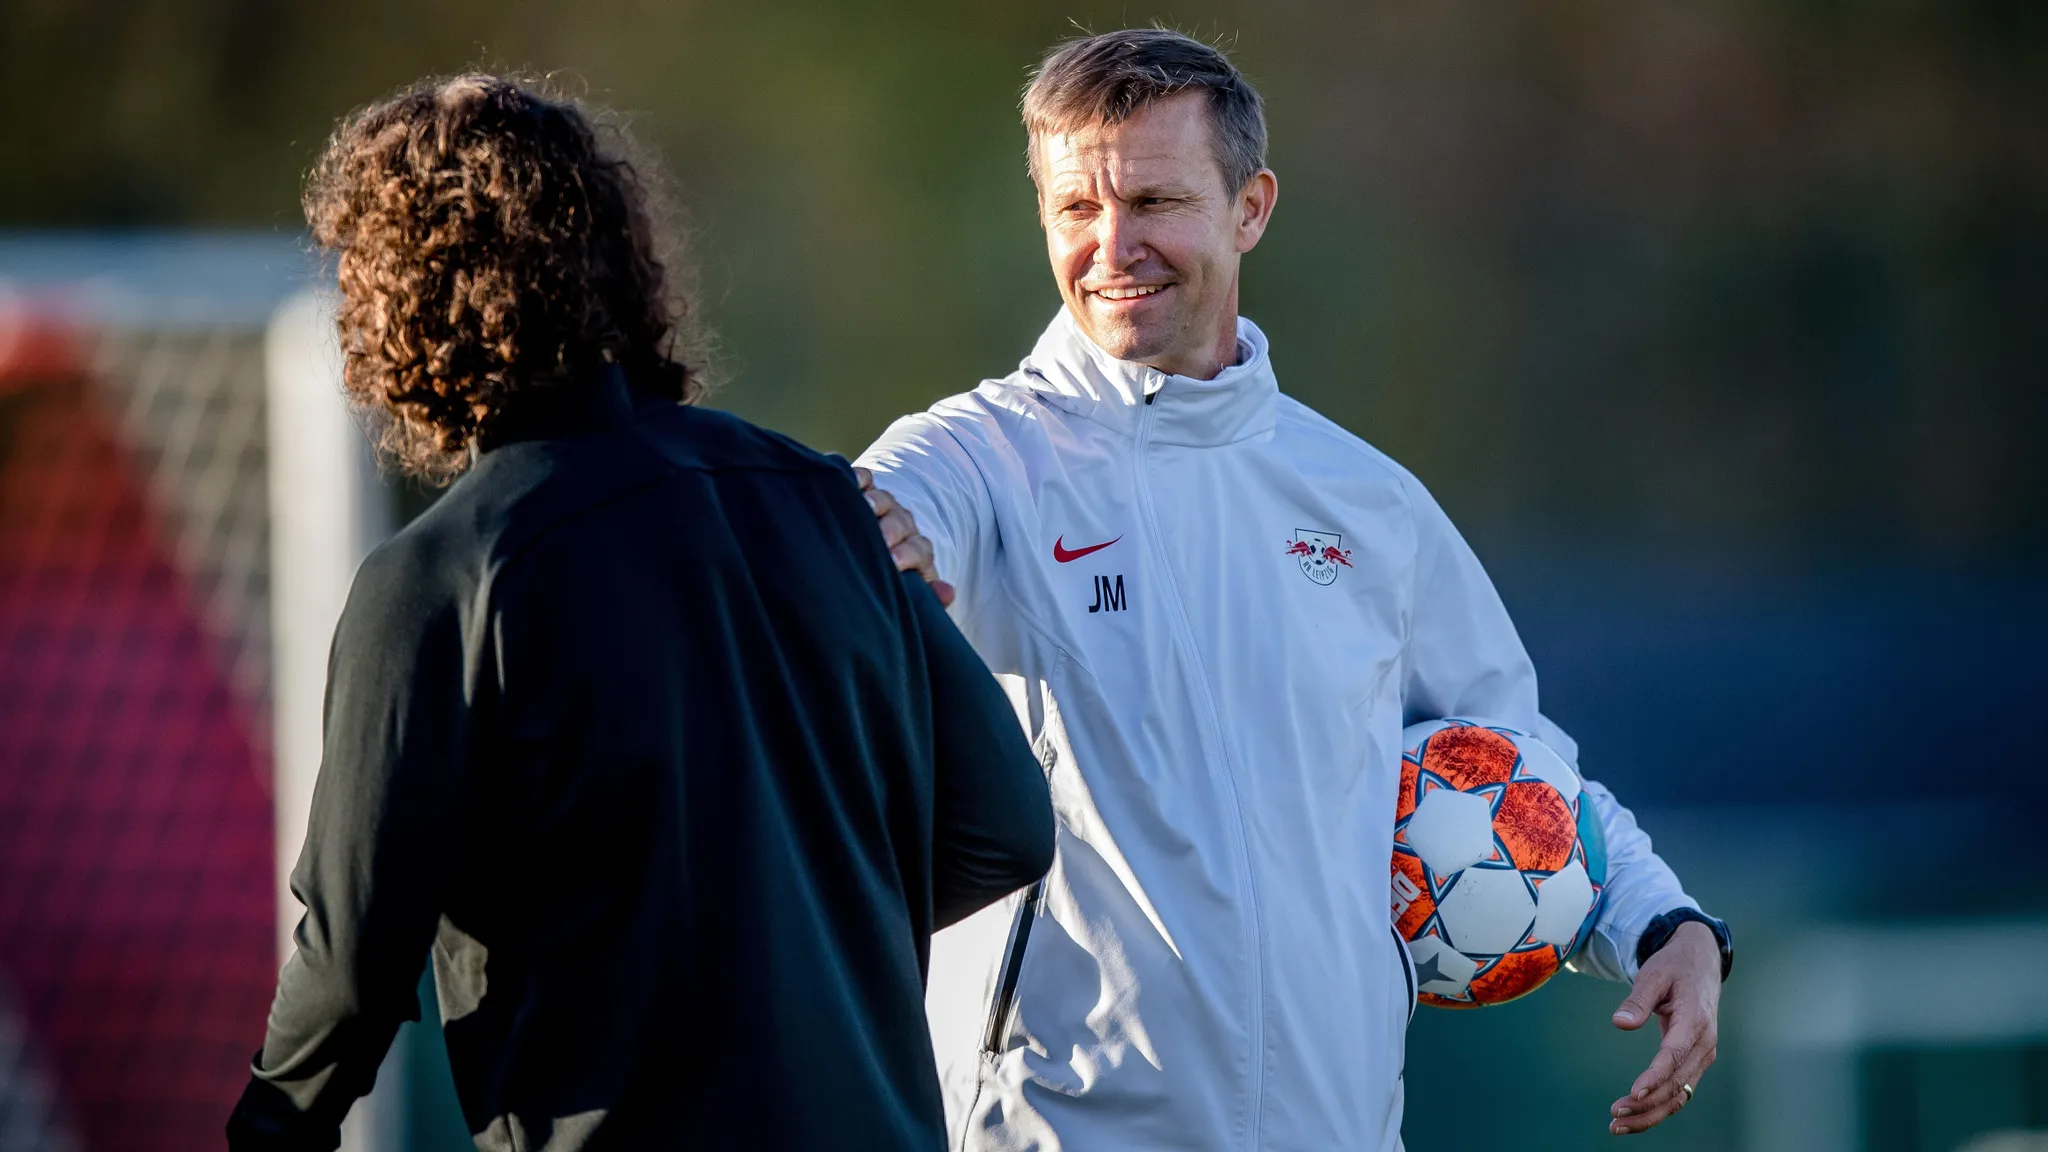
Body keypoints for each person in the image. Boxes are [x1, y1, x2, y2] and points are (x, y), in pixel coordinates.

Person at [855, 29, 1734, 1149]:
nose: (1111, 246)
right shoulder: (978, 457)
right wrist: (856, 539)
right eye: (1074, 209)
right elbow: (874, 517)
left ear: (1250, 208)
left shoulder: (1366, 503)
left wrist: (1665, 923)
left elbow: (1516, 771)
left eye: (1155, 202)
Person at [226, 75, 1054, 1152]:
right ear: (619, 260)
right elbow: (1005, 825)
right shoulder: (826, 498)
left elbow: (348, 967)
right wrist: (800, 942)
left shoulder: (444, 576)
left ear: (396, 299)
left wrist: (262, 1133)